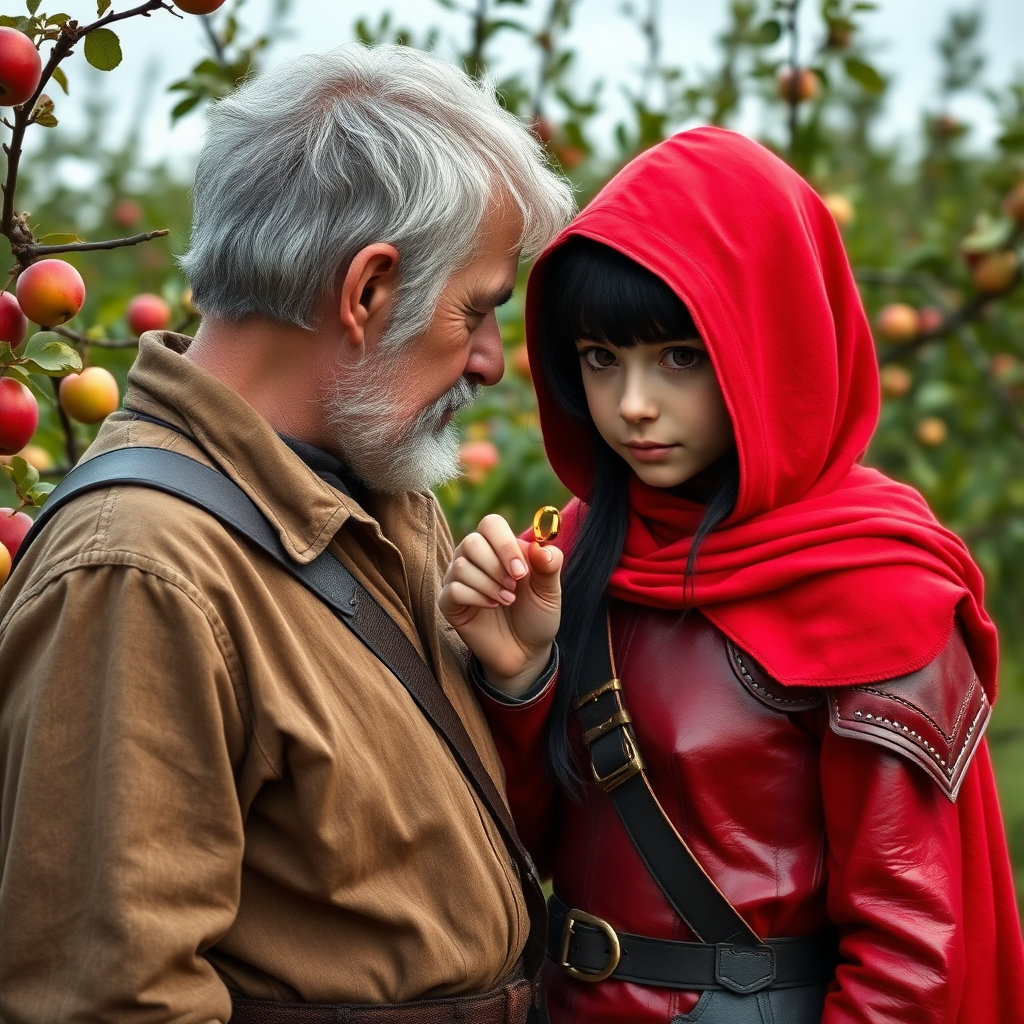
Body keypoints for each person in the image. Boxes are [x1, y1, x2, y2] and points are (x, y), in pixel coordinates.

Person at [0, 44, 574, 1023]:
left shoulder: (383, 501)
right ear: (367, 292)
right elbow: (108, 999)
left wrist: (516, 680)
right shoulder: (141, 571)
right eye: (476, 310)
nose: (490, 361)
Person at [438, 126, 1024, 1023]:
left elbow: (914, 962)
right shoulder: (579, 552)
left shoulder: (875, 589)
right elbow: (522, 851)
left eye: (681, 356)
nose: (633, 406)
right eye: (602, 359)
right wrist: (519, 679)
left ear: (770, 342)